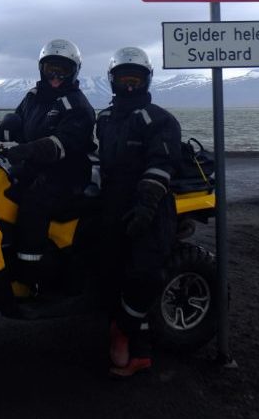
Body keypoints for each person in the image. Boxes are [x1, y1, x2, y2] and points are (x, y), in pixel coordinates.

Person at [96, 46, 181, 377]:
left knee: (144, 273)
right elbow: (95, 159)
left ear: (147, 81)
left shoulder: (160, 119)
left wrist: (146, 205)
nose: (129, 86)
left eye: (136, 79)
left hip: (151, 206)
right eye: (123, 79)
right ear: (112, 81)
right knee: (109, 272)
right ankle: (140, 350)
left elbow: (161, 164)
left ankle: (122, 331)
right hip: (110, 204)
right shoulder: (103, 119)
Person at [0, 39, 96, 286]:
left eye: (62, 69)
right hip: (35, 165)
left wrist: (26, 150)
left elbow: (60, 144)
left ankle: (31, 272)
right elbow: (16, 121)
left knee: (34, 200)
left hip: (67, 172)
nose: (55, 75)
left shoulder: (78, 105)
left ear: (73, 71)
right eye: (51, 68)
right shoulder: (33, 97)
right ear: (41, 68)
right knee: (1, 186)